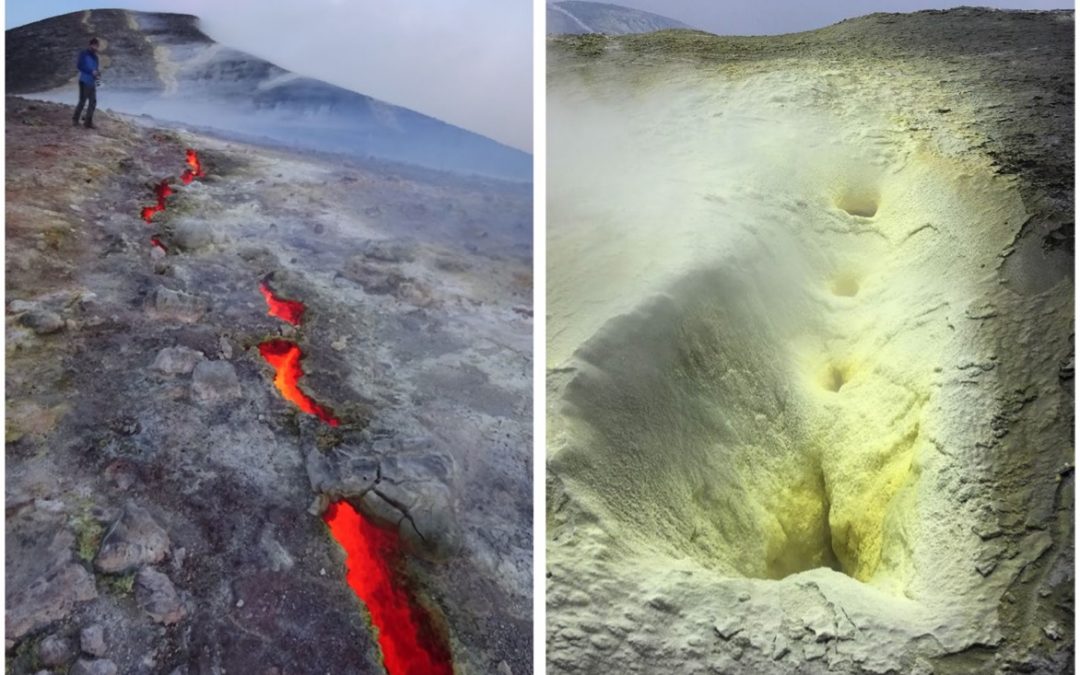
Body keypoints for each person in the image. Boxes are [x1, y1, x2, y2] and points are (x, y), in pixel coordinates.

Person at [73, 37, 101, 129]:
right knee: (82, 101)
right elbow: (80, 66)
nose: (96, 48)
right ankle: (75, 120)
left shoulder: (96, 57)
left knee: (93, 102)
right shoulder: (84, 54)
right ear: (90, 45)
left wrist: (97, 76)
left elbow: (96, 69)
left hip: (92, 82)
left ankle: (88, 122)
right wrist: (90, 71)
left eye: (97, 46)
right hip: (84, 81)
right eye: (95, 45)